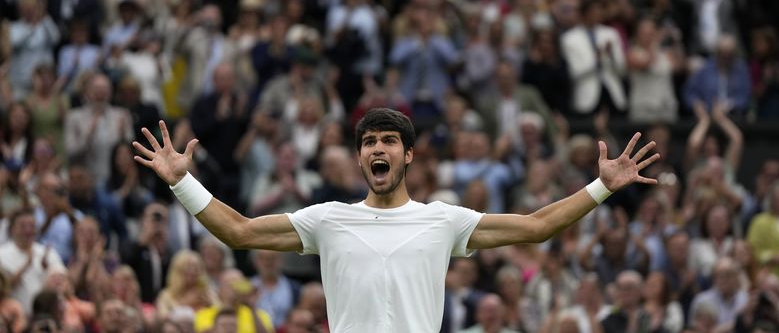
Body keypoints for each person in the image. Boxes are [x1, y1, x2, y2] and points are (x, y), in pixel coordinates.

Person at [133, 108, 660, 332]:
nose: (377, 149)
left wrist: (601, 187)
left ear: (408, 156)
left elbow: (537, 225)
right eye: (368, 142)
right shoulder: (328, 218)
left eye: (388, 142)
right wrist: (181, 180)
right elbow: (239, 232)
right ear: (361, 158)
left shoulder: (443, 220)